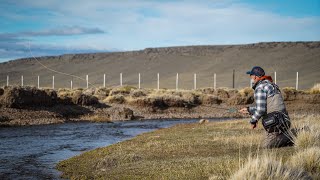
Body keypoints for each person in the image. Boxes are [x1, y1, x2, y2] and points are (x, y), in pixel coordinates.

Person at [239, 66, 293, 148]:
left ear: (255, 76)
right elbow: (268, 106)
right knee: (274, 142)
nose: (251, 78)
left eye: (251, 75)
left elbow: (261, 110)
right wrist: (249, 110)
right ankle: (289, 137)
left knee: (267, 145)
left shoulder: (260, 88)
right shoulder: (272, 85)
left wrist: (253, 120)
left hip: (275, 122)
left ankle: (295, 134)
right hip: (284, 120)